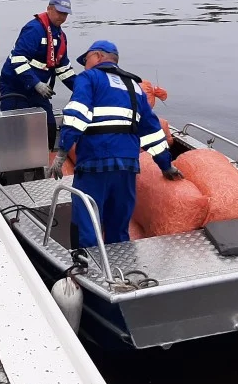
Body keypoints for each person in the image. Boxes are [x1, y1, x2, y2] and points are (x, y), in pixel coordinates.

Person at [47, 40, 183, 248]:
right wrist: (166, 165)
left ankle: (88, 270)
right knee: (119, 226)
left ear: (99, 57)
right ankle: (122, 268)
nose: (84, 64)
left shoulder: (89, 78)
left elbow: (76, 115)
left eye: (87, 59)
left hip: (94, 164)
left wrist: (62, 154)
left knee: (87, 221)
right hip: (126, 167)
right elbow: (152, 132)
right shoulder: (134, 87)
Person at [0, 0, 77, 149]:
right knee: (15, 130)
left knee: (49, 125)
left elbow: (63, 69)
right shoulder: (34, 29)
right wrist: (36, 84)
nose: (62, 17)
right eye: (59, 12)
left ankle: (46, 161)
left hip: (37, 90)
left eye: (65, 14)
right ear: (49, 9)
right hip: (15, 86)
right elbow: (18, 60)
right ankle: (17, 167)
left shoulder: (60, 37)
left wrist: (82, 88)